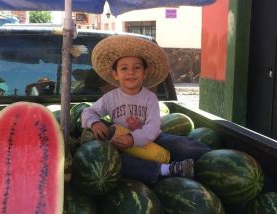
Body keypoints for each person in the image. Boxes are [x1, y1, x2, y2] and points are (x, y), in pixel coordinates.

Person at [81, 35, 211, 186]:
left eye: (137, 67)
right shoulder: (109, 98)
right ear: (115, 74)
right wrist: (94, 123)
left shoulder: (150, 98)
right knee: (122, 163)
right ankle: (168, 170)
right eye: (124, 68)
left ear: (144, 72)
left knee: (181, 144)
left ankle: (212, 158)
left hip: (152, 138)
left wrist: (134, 138)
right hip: (122, 144)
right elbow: (87, 112)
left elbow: (153, 127)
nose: (130, 72)